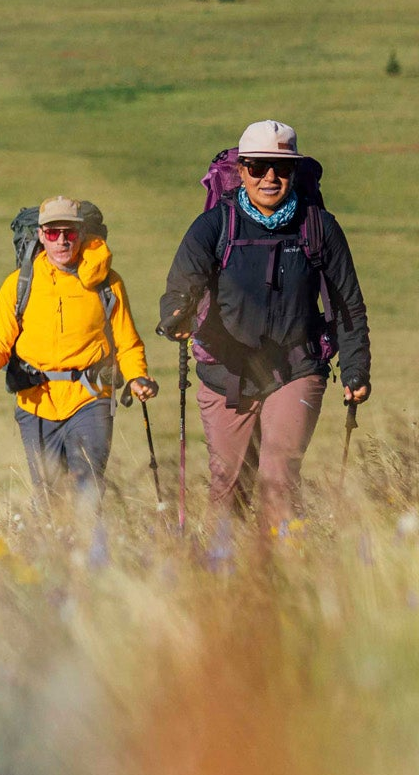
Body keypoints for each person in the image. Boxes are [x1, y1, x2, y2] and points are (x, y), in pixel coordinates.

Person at [159, 120, 370, 522]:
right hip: (226, 372)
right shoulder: (215, 225)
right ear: (241, 170)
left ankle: (285, 571)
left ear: (294, 171)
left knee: (279, 481)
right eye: (258, 166)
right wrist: (176, 318)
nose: (270, 177)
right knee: (227, 488)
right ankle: (229, 575)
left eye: (282, 167)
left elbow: (347, 306)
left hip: (296, 367)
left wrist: (356, 368)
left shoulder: (318, 227)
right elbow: (182, 285)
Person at [0, 197, 156, 498]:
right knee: (47, 494)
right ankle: (50, 546)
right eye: (53, 233)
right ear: (41, 235)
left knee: (88, 489)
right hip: (35, 404)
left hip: (90, 399)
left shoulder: (108, 283)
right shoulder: (20, 283)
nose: (62, 240)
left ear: (81, 233)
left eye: (69, 232)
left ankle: (92, 546)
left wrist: (137, 378)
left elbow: (127, 342)